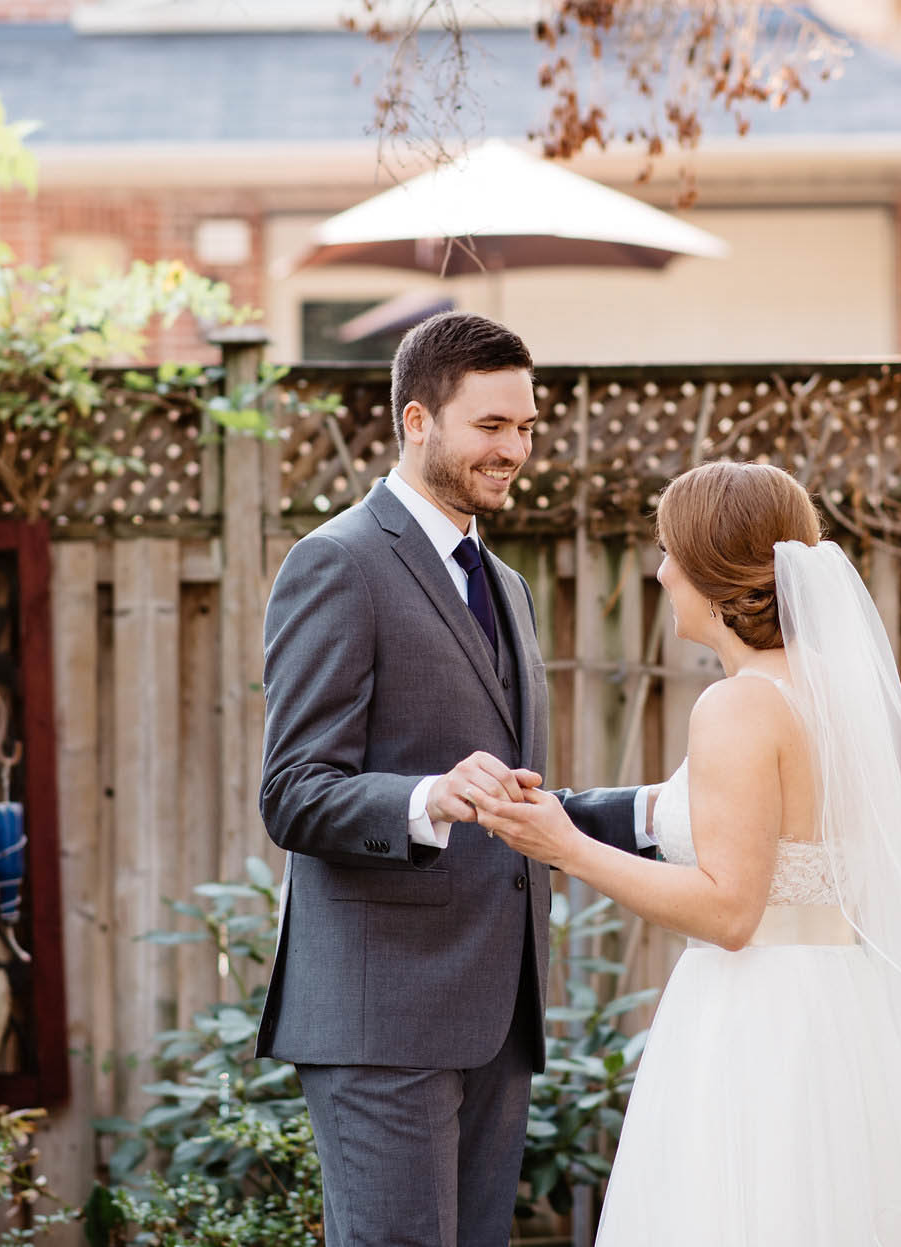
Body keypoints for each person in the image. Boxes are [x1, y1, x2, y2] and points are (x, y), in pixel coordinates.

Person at [475, 461, 901, 1246]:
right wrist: (567, 807)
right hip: (843, 1023)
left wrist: (565, 847)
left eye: (668, 550)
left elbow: (729, 909)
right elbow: (726, 818)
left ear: (713, 574)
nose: (659, 570)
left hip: (758, 1029)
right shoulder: (832, 693)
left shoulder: (737, 704)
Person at [254, 311, 656, 1247]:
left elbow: (510, 803)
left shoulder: (504, 585)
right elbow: (292, 789)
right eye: (491, 426)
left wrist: (653, 812)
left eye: (525, 427)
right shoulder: (337, 563)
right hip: (381, 1019)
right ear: (417, 421)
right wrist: (423, 796)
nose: (514, 449)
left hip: (495, 1015)